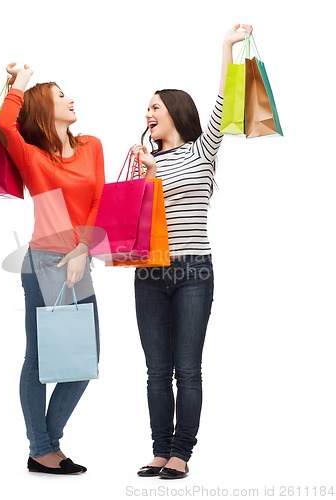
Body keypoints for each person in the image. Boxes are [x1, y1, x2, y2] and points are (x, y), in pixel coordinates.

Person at [129, 23, 253, 479]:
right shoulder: (147, 160)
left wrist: (227, 47)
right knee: (155, 371)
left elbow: (222, 101)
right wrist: (146, 175)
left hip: (194, 272)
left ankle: (182, 452)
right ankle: (160, 450)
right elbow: (143, 220)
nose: (147, 113)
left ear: (175, 112)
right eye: (145, 108)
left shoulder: (203, 151)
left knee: (188, 369)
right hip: (149, 272)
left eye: (154, 107)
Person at [0, 63, 105, 474]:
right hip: (42, 261)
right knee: (40, 361)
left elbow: (98, 202)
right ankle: (42, 449)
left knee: (84, 359)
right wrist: (20, 80)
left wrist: (81, 248)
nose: (71, 99)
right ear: (44, 108)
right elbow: (7, 124)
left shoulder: (92, 145)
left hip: (79, 259)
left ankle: (46, 444)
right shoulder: (33, 156)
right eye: (61, 96)